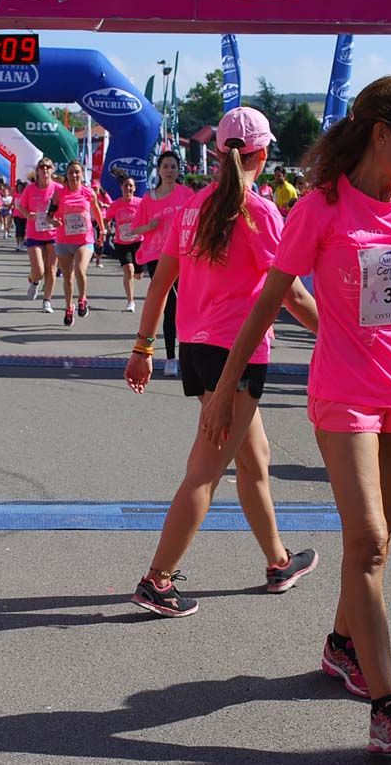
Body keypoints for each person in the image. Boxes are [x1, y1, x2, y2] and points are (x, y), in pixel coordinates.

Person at [200, 77, 391, 754]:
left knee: (380, 539)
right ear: (381, 131)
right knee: (368, 539)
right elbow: (268, 300)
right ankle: (386, 705)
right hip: (344, 393)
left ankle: (345, 643)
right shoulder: (320, 208)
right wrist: (227, 385)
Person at [125, 106, 320, 618]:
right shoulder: (259, 211)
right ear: (262, 154)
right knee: (205, 472)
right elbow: (293, 294)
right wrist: (341, 336)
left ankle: (278, 561)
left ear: (217, 153)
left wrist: (143, 347)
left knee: (254, 462)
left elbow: (161, 281)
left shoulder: (192, 207)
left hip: (196, 348)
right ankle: (157, 580)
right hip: (239, 353)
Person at [132, 151, 193, 377]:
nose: (169, 171)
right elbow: (135, 227)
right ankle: (170, 358)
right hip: (157, 256)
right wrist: (150, 226)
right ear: (158, 170)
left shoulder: (186, 194)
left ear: (178, 171)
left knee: (183, 306)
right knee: (170, 305)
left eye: (173, 167)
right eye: (166, 166)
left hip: (183, 255)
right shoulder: (150, 198)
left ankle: (187, 353)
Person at [48, 160, 105, 326]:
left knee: (80, 270)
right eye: (71, 172)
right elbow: (49, 216)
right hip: (64, 240)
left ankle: (82, 299)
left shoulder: (88, 193)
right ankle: (68, 307)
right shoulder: (60, 194)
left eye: (77, 172)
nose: (74, 175)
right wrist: (54, 222)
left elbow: (97, 211)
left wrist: (102, 230)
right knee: (67, 278)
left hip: (84, 240)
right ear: (67, 175)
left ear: (82, 174)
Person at [15, 159, 61, 312]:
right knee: (39, 271)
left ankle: (47, 301)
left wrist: (58, 220)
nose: (45, 169)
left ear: (52, 170)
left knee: (52, 269)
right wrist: (28, 214)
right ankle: (35, 282)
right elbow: (21, 207)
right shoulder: (30, 189)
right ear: (38, 171)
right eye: (42, 167)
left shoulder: (58, 189)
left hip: (53, 234)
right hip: (34, 233)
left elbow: (64, 208)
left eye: (48, 167)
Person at [108, 173, 144, 312]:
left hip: (138, 242)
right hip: (121, 242)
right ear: (121, 188)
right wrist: (104, 229)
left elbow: (147, 217)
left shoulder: (140, 203)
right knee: (128, 270)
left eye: (130, 186)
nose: (128, 188)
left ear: (134, 188)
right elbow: (107, 218)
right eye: (125, 186)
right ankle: (130, 301)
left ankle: (138, 272)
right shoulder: (115, 205)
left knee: (138, 275)